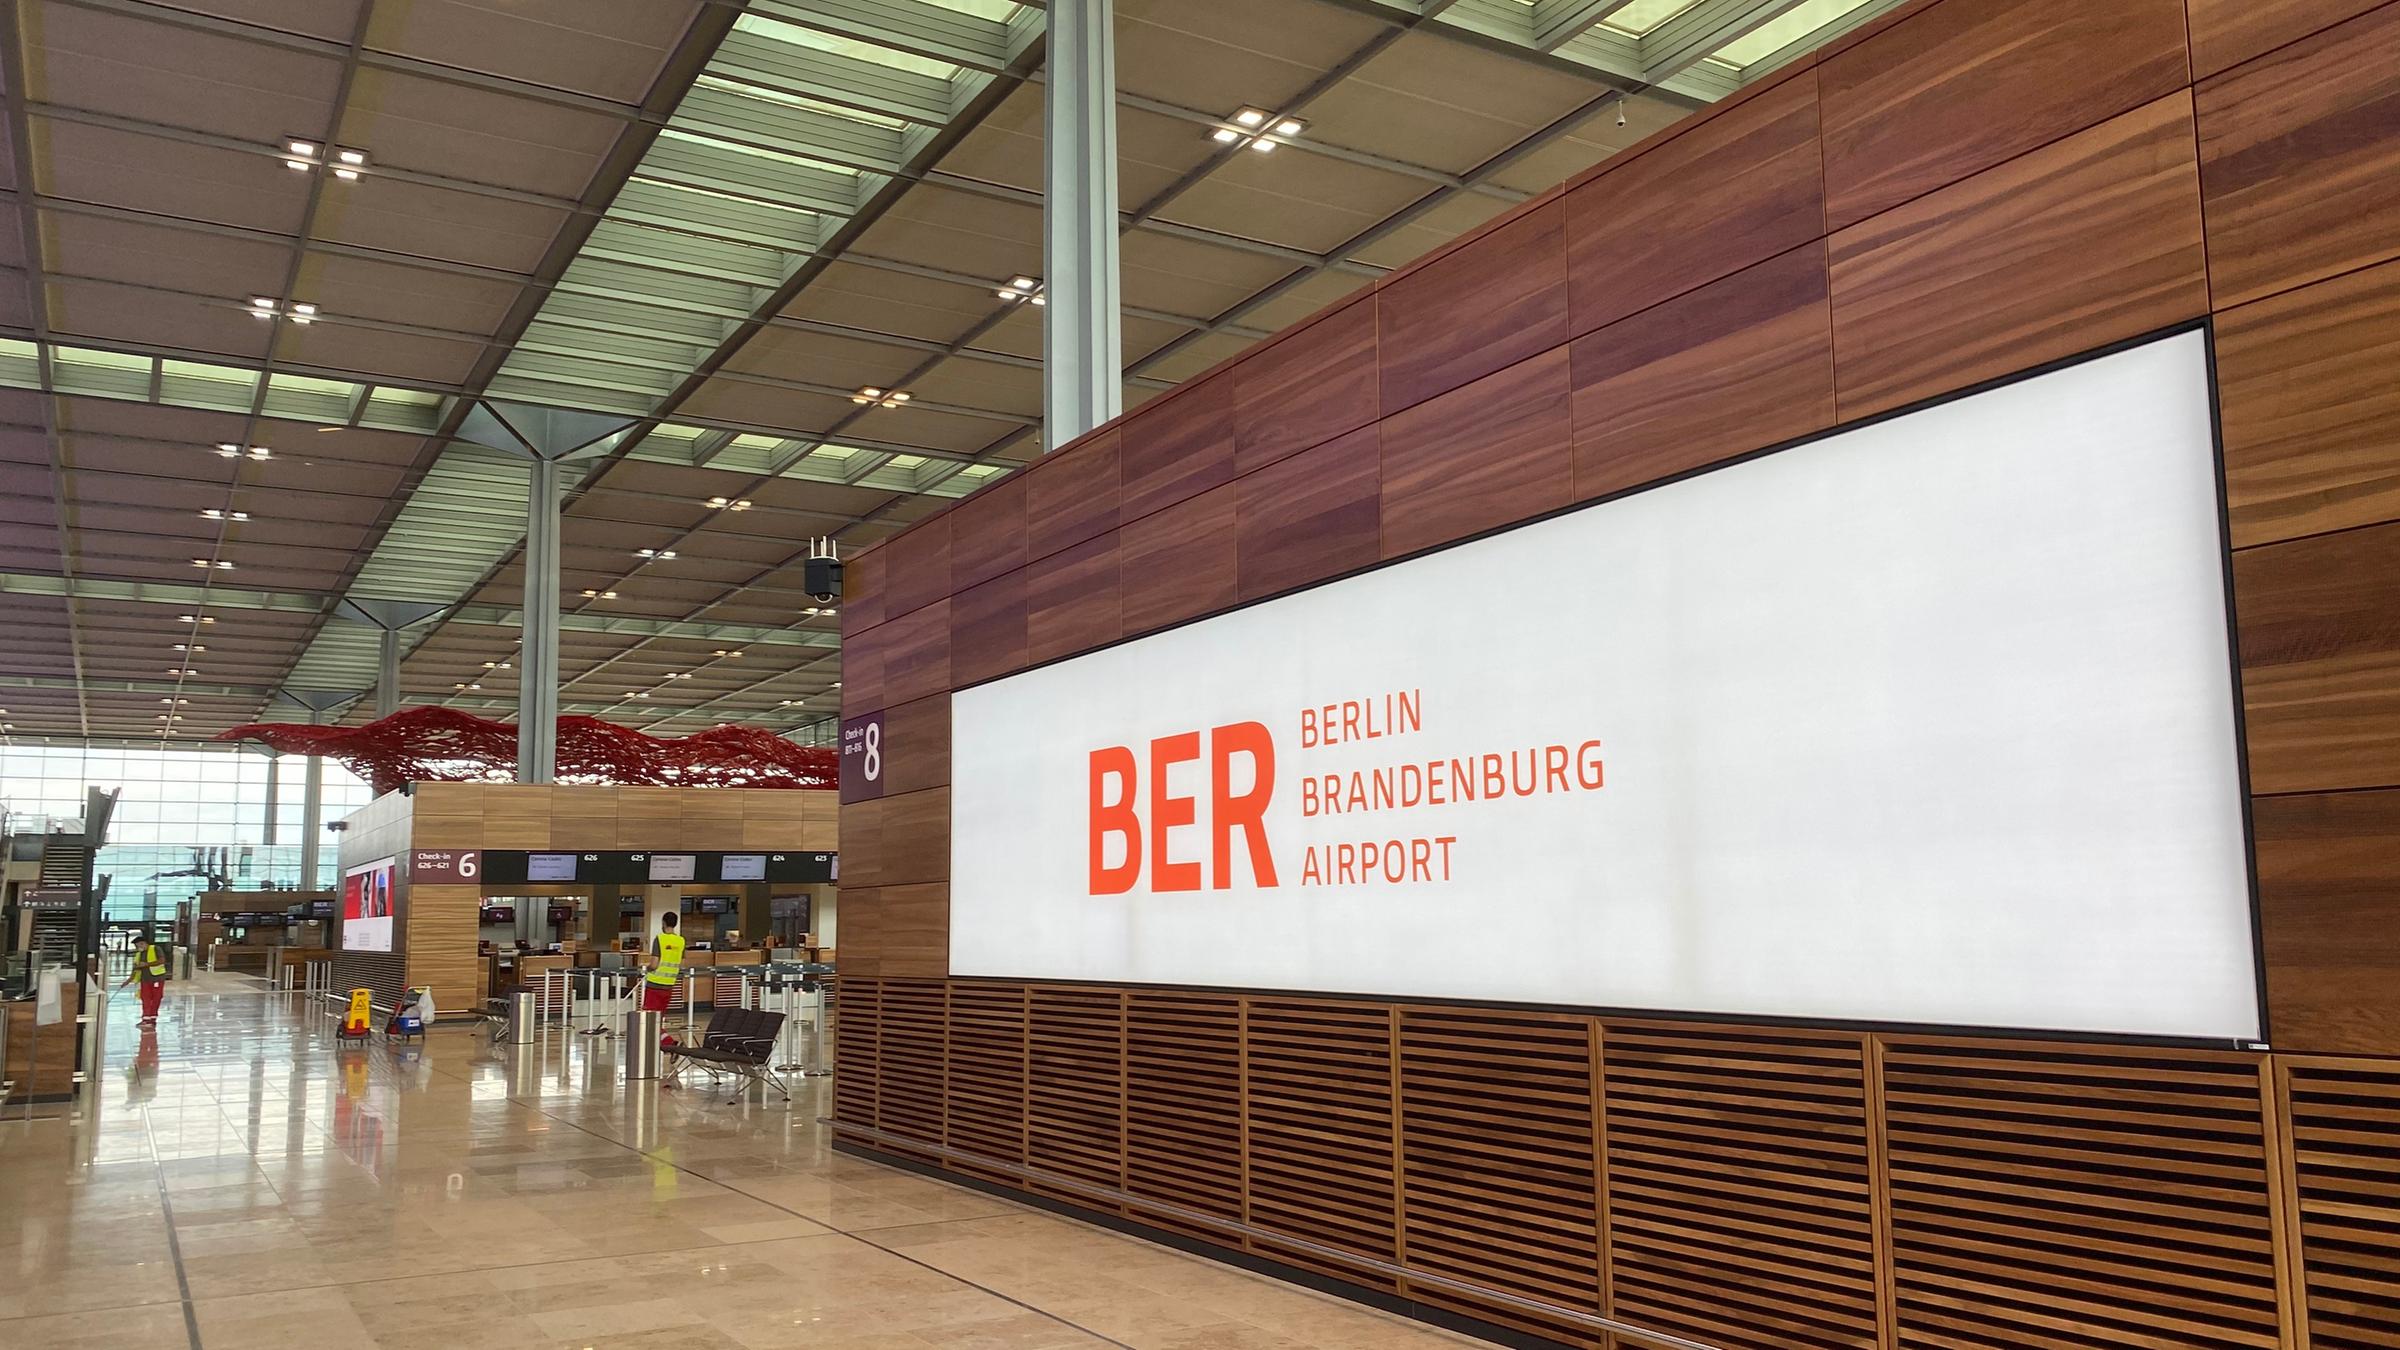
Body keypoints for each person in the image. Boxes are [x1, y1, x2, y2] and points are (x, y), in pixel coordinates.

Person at [119, 925, 170, 1026]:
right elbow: (135, 969)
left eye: (138, 945)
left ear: (144, 943)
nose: (138, 947)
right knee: (145, 998)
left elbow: (162, 960)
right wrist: (128, 981)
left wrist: (146, 964)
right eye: (136, 946)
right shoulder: (138, 954)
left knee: (156, 998)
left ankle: (153, 1018)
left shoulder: (155, 948)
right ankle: (146, 1018)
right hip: (145, 980)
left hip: (157, 978)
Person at [642, 912, 684, 1014]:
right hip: (669, 984)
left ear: (663, 923)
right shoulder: (681, 941)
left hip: (654, 983)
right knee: (661, 1013)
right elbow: (681, 963)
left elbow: (654, 964)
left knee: (650, 1014)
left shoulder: (660, 939)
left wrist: (646, 968)